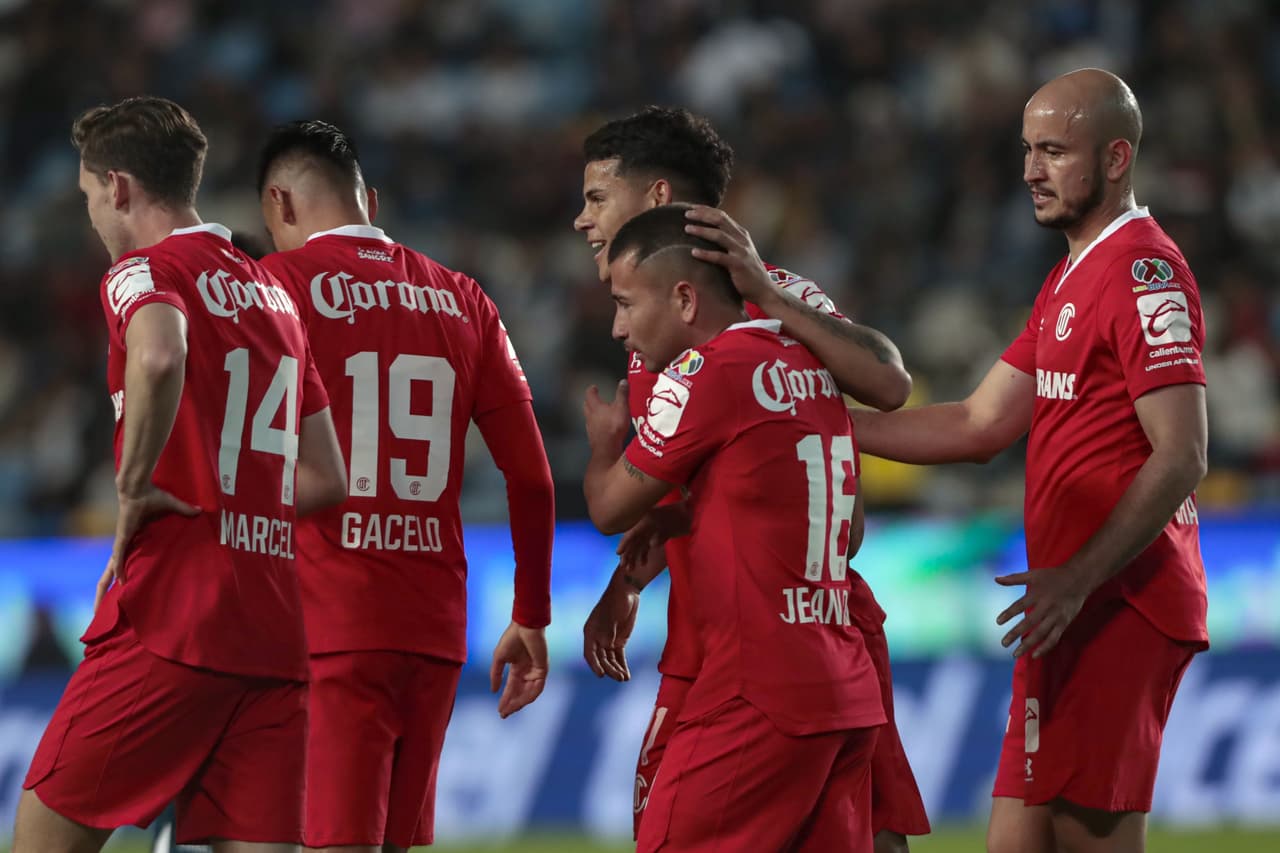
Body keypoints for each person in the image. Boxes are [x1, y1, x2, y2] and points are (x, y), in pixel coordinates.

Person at [852, 69, 1209, 853]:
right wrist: (824, 425)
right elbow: (979, 423)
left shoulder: (1146, 272)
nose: (1029, 171)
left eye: (1053, 151)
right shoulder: (1069, 279)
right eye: (1026, 150)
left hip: (1119, 600)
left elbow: (1183, 454)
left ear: (1116, 158)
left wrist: (1079, 576)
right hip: (1064, 607)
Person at [573, 106, 929, 851]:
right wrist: (633, 579)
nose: (583, 220)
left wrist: (770, 293)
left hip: (782, 635)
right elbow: (699, 483)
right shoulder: (653, 324)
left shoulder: (765, 306)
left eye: (597, 197)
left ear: (659, 196)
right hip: (716, 632)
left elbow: (889, 387)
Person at [14, 96, 349, 853]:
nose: (93, 215)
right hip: (271, 632)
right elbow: (327, 476)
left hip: (170, 617)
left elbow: (160, 353)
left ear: (121, 187)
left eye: (90, 197)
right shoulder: (274, 293)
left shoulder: (141, 272)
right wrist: (243, 504)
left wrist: (134, 486)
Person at [256, 120, 555, 853]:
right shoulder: (465, 299)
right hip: (432, 629)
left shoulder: (274, 287)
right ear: (372, 201)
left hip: (326, 624)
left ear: (280, 205)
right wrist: (532, 615)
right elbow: (533, 476)